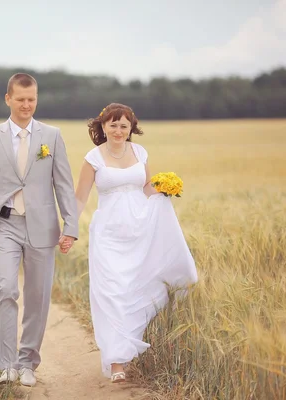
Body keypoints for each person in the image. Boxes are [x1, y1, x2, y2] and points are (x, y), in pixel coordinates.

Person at [0, 73, 79, 387]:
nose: (27, 105)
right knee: (6, 289)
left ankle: (27, 364)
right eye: (21, 99)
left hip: (43, 227)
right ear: (8, 98)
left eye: (32, 99)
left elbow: (63, 183)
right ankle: (7, 365)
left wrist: (71, 225)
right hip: (5, 225)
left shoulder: (51, 136)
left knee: (37, 298)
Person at [68, 103, 198, 383]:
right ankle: (117, 363)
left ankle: (131, 347)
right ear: (103, 127)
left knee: (136, 289)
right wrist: (68, 230)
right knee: (112, 292)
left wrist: (166, 187)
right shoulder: (93, 158)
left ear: (131, 128)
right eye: (112, 124)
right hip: (109, 233)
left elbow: (147, 187)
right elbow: (80, 198)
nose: (118, 130)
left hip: (141, 228)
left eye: (123, 125)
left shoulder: (140, 152)